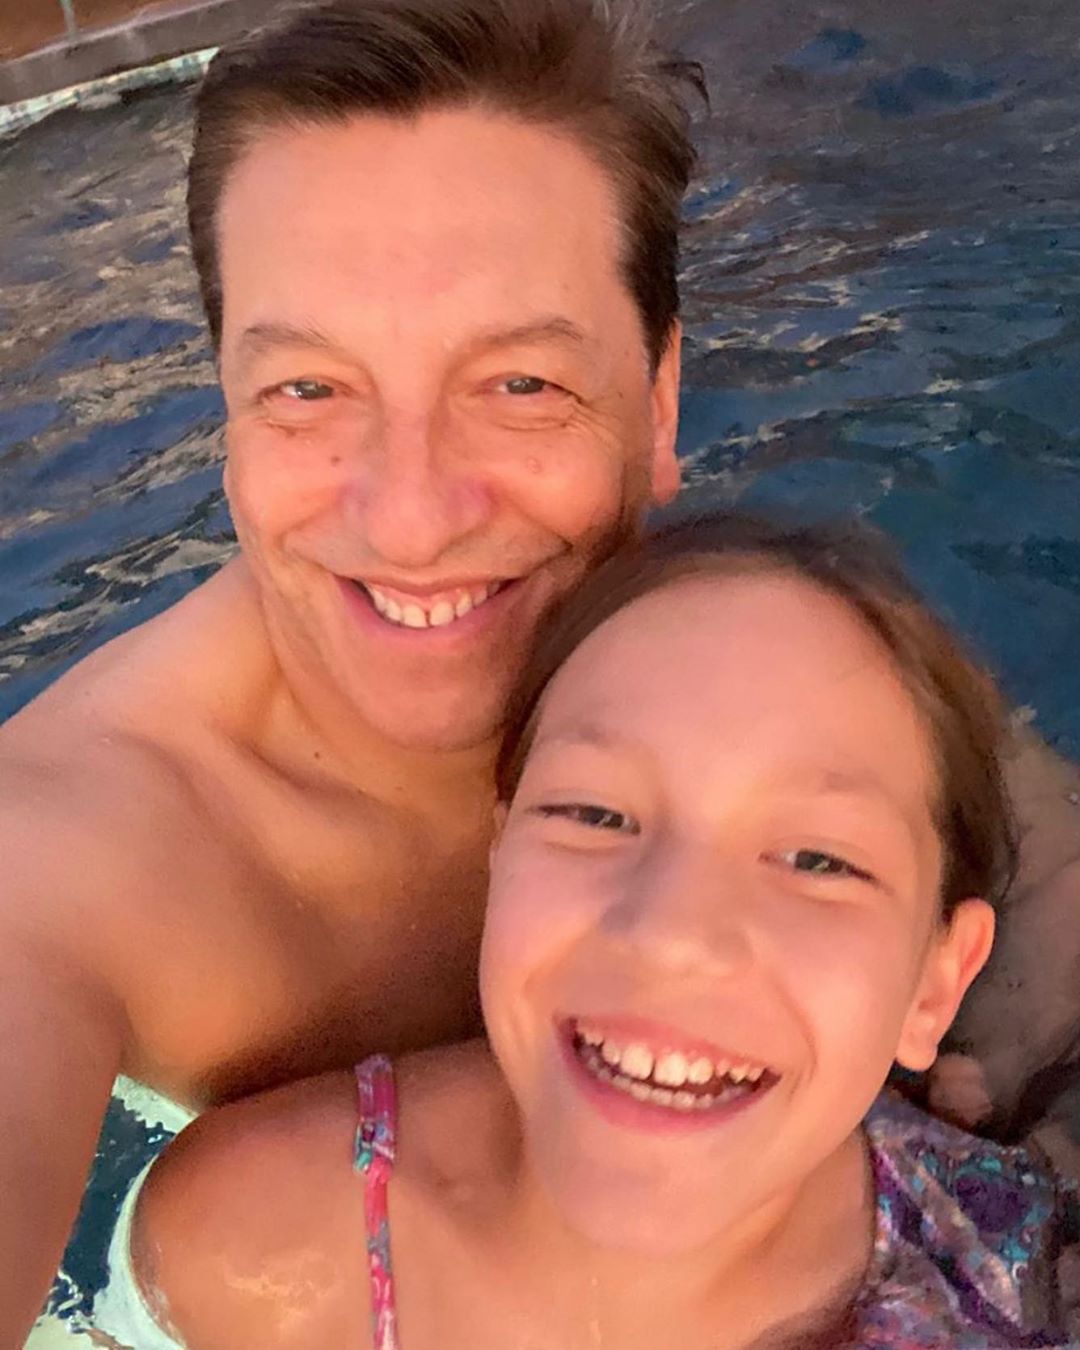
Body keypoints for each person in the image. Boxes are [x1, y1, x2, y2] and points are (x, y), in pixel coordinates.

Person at [0, 1, 697, 1336]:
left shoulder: (737, 638)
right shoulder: (69, 851)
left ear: (659, 404)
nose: (413, 520)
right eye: (308, 391)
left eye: (522, 384)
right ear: (226, 417)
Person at [94, 513, 1076, 1349]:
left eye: (820, 861)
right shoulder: (259, 1250)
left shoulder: (1013, 1283)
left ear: (934, 988)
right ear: (499, 856)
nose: (673, 933)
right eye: (593, 814)